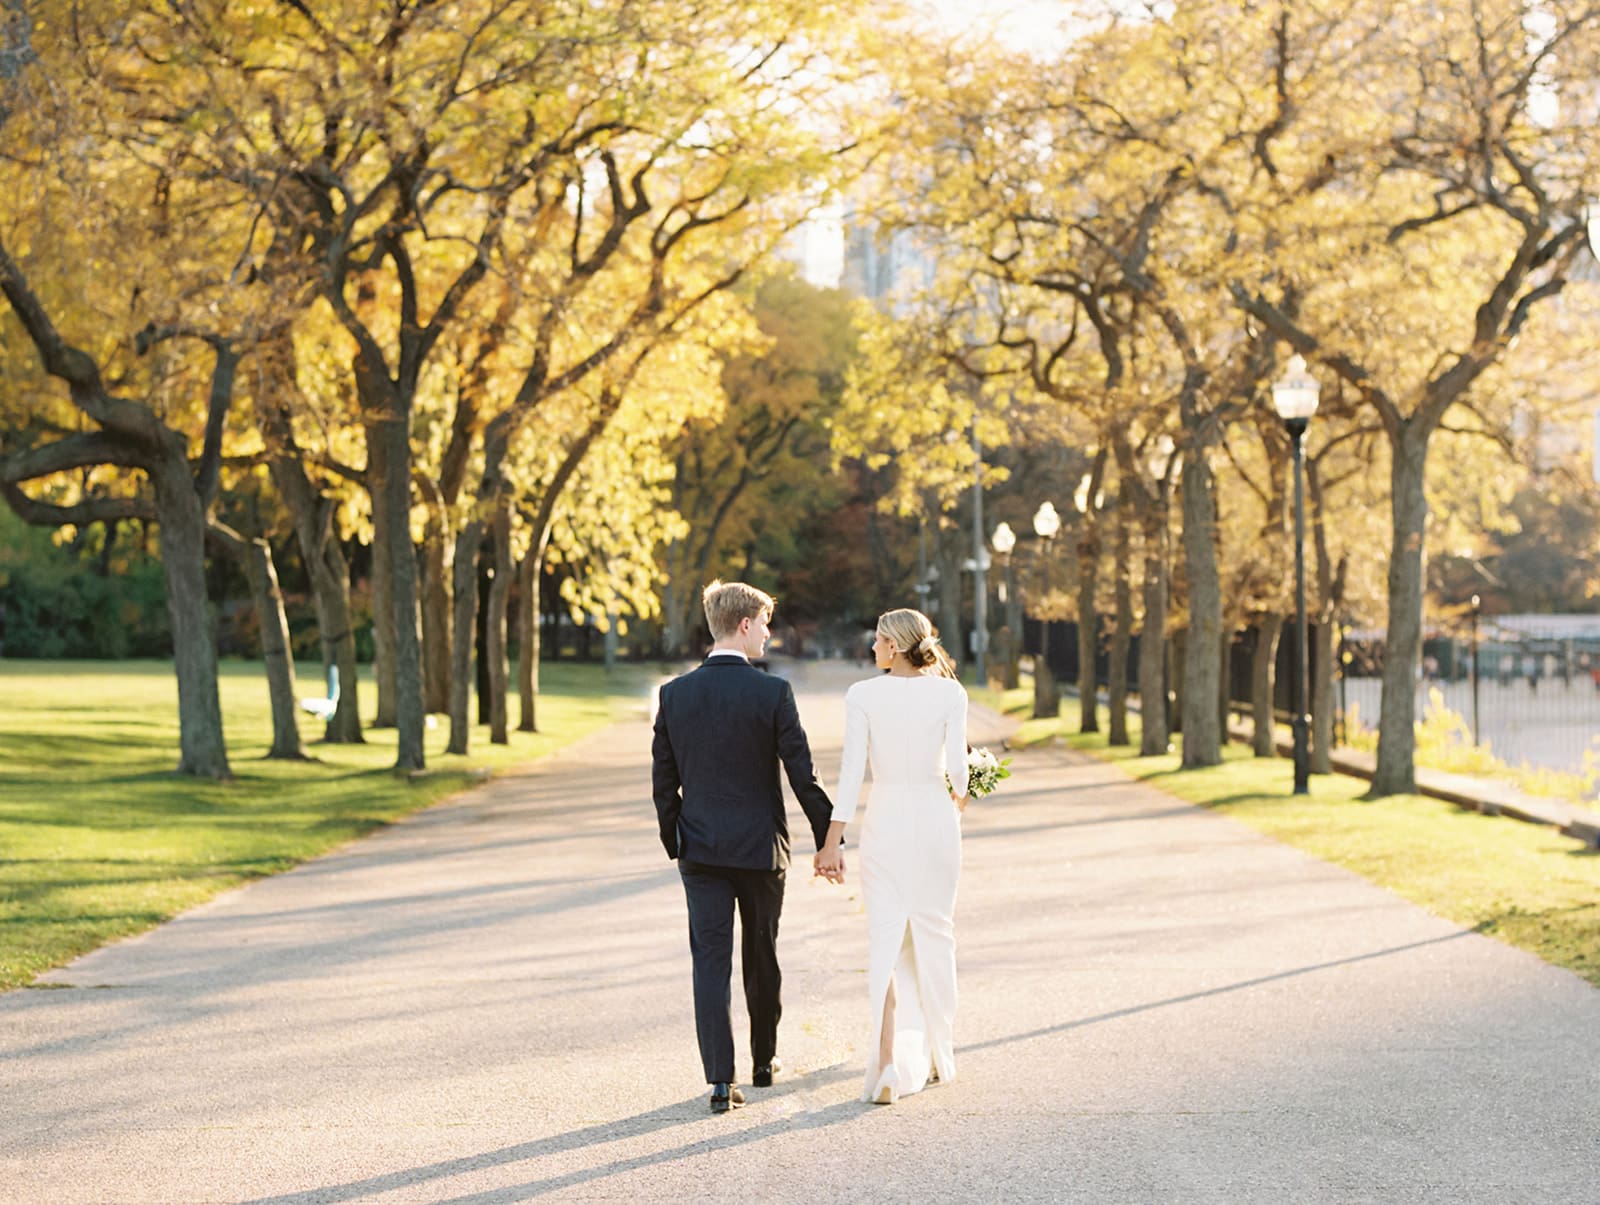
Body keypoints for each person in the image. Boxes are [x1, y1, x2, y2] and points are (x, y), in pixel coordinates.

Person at [652, 580, 835, 1114]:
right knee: (762, 954)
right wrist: (830, 836)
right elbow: (804, 774)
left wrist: (676, 839)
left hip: (701, 851)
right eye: (767, 624)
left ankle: (718, 1079)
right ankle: (762, 1060)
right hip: (760, 851)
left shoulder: (675, 693)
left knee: (709, 962)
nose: (770, 635)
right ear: (746, 625)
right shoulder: (771, 693)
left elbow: (664, 782)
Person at [814, 607, 969, 1105]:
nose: (872, 648)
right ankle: (938, 1052)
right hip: (935, 823)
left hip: (884, 824)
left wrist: (832, 839)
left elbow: (851, 774)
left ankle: (884, 1063)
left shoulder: (863, 695)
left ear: (895, 645)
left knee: (884, 935)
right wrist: (961, 796)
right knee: (934, 930)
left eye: (878, 640)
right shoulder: (951, 693)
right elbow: (960, 779)